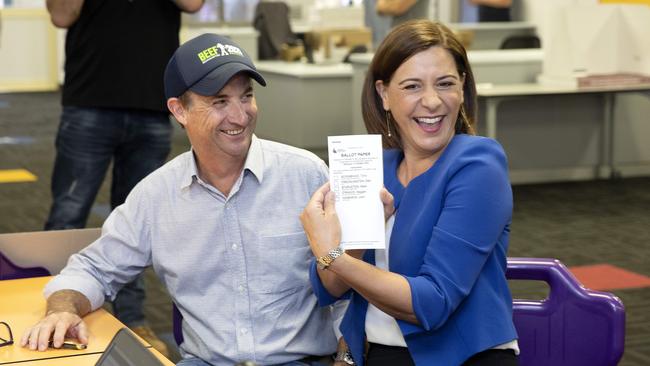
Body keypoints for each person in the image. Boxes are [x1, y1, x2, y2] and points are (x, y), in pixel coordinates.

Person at [21, 34, 337, 366]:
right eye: (219, 102)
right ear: (179, 110)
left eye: (246, 97)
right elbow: (93, 269)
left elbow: (352, 279)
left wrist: (346, 355)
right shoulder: (156, 195)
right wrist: (61, 309)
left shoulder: (306, 175)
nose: (241, 116)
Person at [300, 20, 519, 366]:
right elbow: (328, 287)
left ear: (462, 87)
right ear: (384, 94)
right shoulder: (376, 167)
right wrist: (351, 247)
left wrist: (331, 253)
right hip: (373, 356)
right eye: (412, 86)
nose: (431, 102)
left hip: (463, 358)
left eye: (445, 84)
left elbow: (431, 302)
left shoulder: (478, 165)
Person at [43, 0, 204, 355]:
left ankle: (132, 318)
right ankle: (48, 312)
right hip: (89, 99)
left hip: (151, 104)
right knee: (67, 214)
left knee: (140, 223)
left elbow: (193, 4)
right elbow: (61, 15)